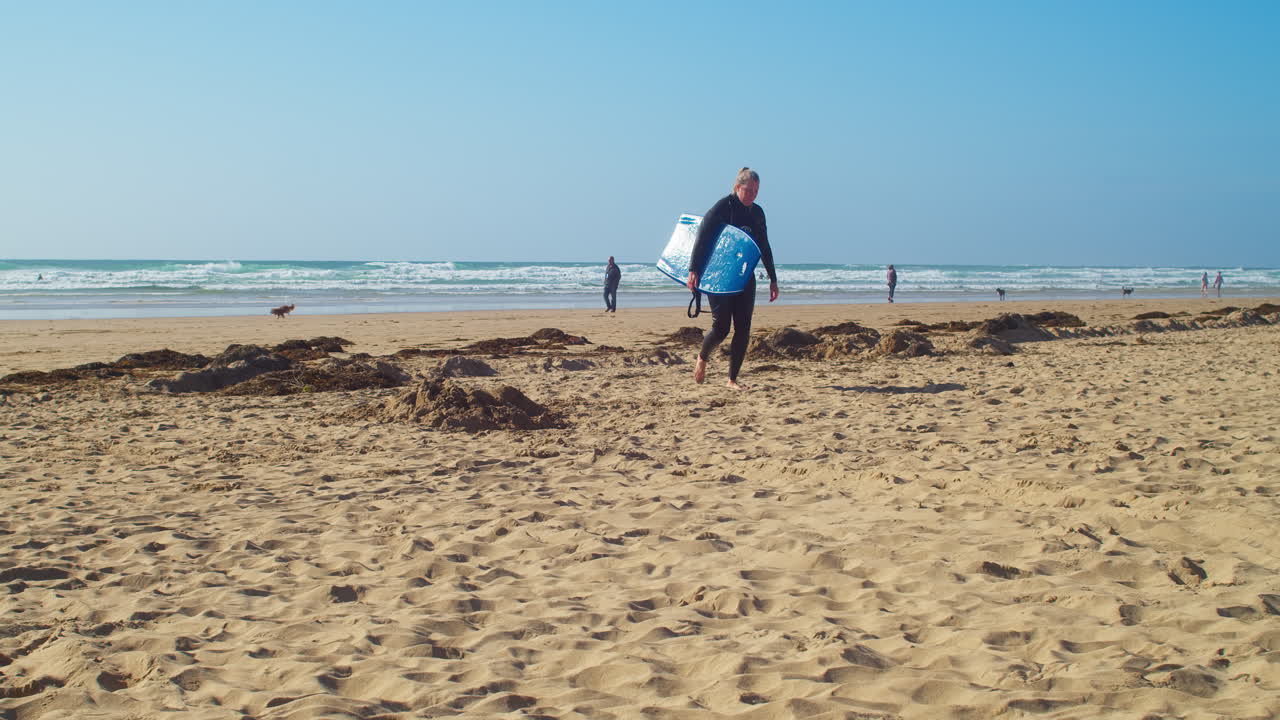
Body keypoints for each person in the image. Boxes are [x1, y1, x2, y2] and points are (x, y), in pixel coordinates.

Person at [687, 167, 778, 390]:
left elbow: (764, 246)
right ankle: (702, 357)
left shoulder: (757, 213)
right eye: (749, 190)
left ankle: (732, 379)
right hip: (718, 275)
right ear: (738, 187)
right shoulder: (722, 207)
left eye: (757, 191)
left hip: (744, 276)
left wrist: (773, 279)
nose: (753, 195)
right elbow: (702, 237)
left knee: (743, 328)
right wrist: (694, 269)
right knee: (722, 328)